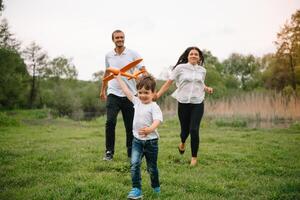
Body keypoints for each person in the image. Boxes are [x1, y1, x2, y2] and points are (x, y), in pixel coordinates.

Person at [155, 46, 213, 166]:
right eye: (191, 54)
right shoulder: (180, 68)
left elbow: (200, 84)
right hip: (183, 103)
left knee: (194, 129)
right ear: (187, 56)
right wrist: (158, 94)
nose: (193, 56)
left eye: (196, 54)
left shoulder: (202, 70)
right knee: (184, 131)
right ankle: (182, 142)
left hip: (198, 102)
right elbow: (168, 83)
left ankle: (194, 159)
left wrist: (207, 88)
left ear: (199, 57)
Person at [100, 30, 146, 161]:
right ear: (113, 39)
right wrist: (103, 89)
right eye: (117, 38)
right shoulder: (108, 55)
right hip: (113, 93)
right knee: (110, 122)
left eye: (122, 37)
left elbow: (143, 68)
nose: (120, 39)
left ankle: (131, 152)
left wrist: (144, 77)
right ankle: (109, 152)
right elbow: (107, 73)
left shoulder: (133, 53)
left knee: (130, 125)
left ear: (124, 38)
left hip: (130, 95)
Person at [115, 74, 163, 199]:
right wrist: (118, 77)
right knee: (134, 164)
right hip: (136, 141)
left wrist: (150, 129)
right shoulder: (137, 102)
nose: (142, 95)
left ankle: (155, 186)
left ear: (153, 93)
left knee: (151, 167)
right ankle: (136, 189)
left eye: (146, 92)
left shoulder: (154, 106)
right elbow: (126, 90)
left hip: (151, 142)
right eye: (140, 92)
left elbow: (157, 120)